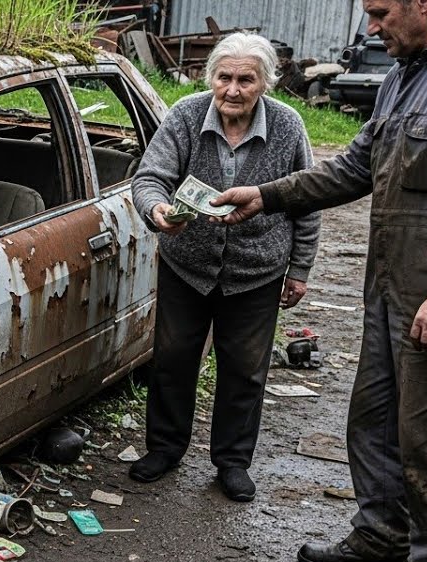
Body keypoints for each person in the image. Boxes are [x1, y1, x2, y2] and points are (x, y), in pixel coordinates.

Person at [214, 0, 427, 562]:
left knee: (425, 434)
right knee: (374, 418)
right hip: (389, 286)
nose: (371, 28)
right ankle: (382, 537)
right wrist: (266, 195)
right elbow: (353, 168)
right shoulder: (401, 79)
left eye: (381, 12)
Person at [129, 32, 321, 502]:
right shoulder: (186, 115)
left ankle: (233, 462)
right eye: (224, 77)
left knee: (245, 370)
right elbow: (150, 177)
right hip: (187, 265)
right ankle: (165, 449)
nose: (232, 89)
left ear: (265, 83)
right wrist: (157, 210)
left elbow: (308, 200)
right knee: (173, 359)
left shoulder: (287, 125)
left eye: (246, 80)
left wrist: (299, 269)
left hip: (257, 272)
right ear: (210, 77)